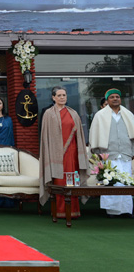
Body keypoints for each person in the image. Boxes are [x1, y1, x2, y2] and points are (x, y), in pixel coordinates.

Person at [39, 86, 88, 218]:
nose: (62, 98)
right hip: (56, 155)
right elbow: (45, 137)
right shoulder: (48, 114)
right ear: (53, 97)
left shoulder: (74, 113)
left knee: (73, 182)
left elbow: (80, 136)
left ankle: (74, 211)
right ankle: (59, 211)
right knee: (59, 182)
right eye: (59, 95)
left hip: (72, 154)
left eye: (64, 95)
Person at [89, 88, 134, 218]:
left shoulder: (128, 115)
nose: (115, 99)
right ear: (107, 100)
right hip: (108, 154)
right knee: (110, 181)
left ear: (120, 99)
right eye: (112, 97)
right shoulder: (100, 115)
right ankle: (111, 211)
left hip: (125, 153)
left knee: (126, 182)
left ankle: (126, 210)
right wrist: (97, 152)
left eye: (117, 97)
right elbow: (95, 134)